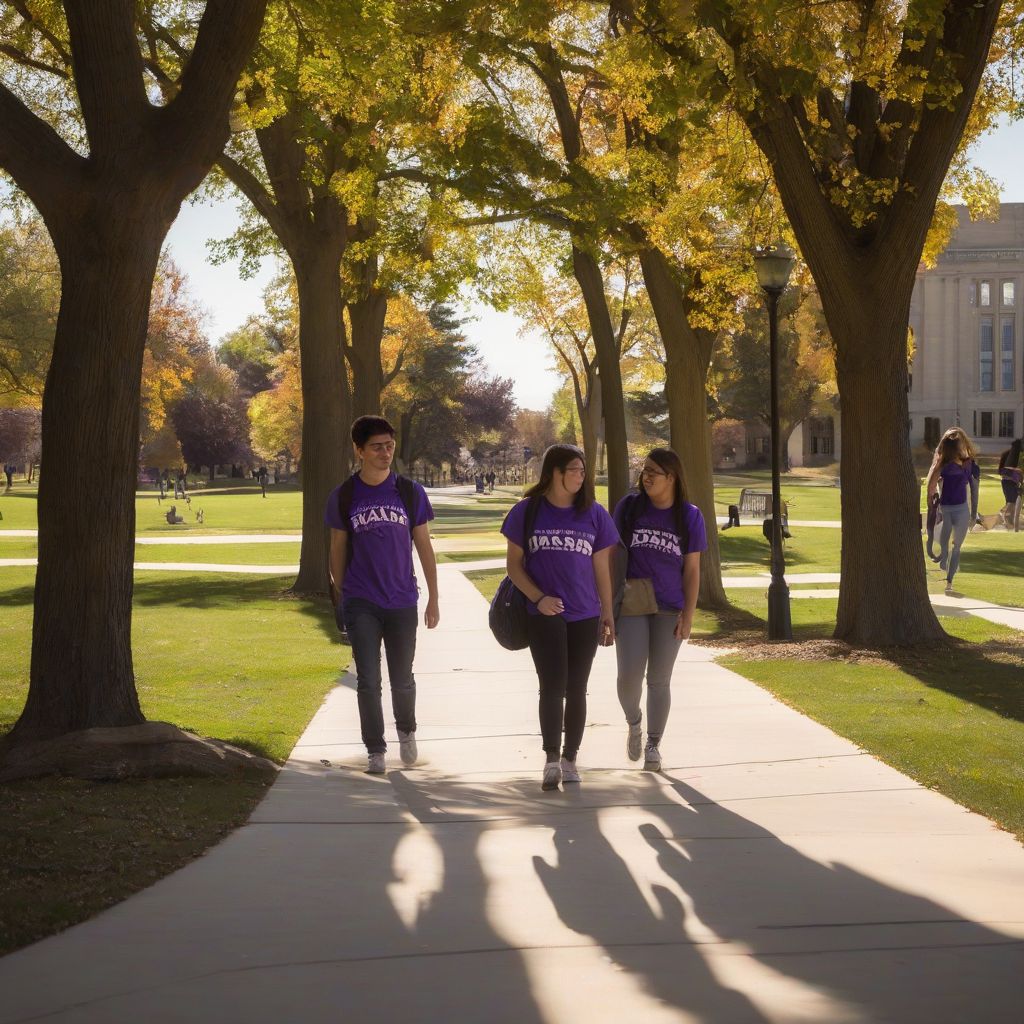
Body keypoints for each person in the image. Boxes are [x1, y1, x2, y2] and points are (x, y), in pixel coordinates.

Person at [501, 444, 619, 792]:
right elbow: (513, 566)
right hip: (544, 613)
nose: (580, 477)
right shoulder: (528, 511)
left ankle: (571, 759)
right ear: (554, 472)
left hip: (585, 613)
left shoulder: (594, 514)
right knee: (552, 686)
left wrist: (608, 614)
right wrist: (539, 598)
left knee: (577, 688)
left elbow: (602, 569)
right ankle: (551, 759)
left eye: (583, 471)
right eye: (574, 470)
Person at [326, 415, 440, 775]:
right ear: (359, 450)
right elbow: (337, 549)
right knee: (369, 679)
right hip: (362, 600)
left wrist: (433, 597)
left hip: (403, 599)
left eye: (389, 446)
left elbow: (423, 545)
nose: (385, 453)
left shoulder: (409, 492)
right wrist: (344, 594)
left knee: (402, 677)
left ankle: (407, 731)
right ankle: (375, 749)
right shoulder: (344, 496)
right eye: (376, 447)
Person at [613, 449, 707, 772]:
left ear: (673, 477)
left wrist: (689, 614)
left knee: (659, 680)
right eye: (645, 470)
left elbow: (693, 571)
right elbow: (611, 555)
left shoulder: (690, 516)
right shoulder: (629, 508)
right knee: (628, 677)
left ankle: (653, 744)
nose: (647, 476)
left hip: (670, 606)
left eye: (655, 472)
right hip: (633, 602)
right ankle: (634, 721)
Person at [927, 435, 974, 594]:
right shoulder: (946, 466)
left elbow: (931, 486)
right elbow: (932, 485)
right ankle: (946, 570)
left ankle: (949, 581)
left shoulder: (962, 465)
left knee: (955, 547)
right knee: (951, 546)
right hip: (950, 509)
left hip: (957, 509)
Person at [925, 427, 978, 558]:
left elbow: (931, 487)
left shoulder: (946, 465)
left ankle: (943, 549)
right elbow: (932, 487)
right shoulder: (951, 465)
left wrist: (930, 501)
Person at [998, 439, 1023, 529]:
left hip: (1014, 482)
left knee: (1014, 502)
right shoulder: (1007, 455)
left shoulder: (1019, 456)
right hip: (1008, 482)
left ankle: (1010, 521)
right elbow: (1001, 471)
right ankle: (1005, 518)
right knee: (1012, 502)